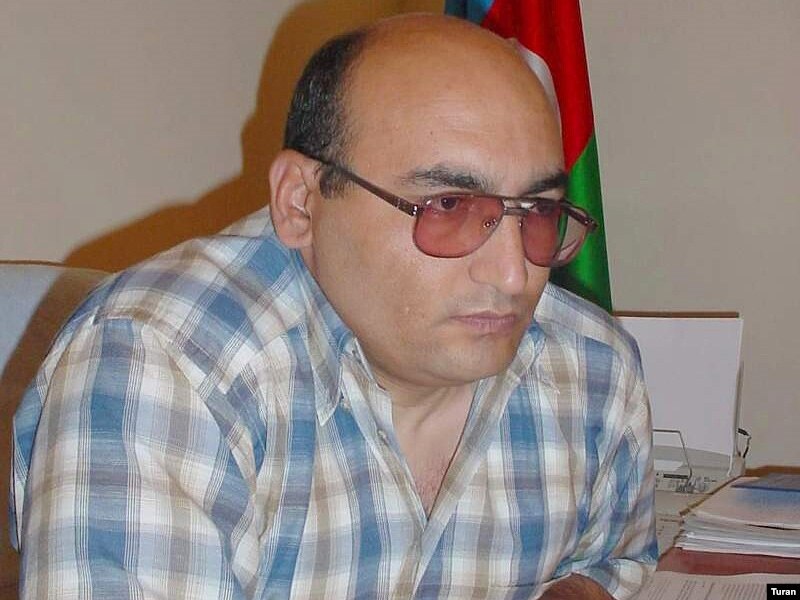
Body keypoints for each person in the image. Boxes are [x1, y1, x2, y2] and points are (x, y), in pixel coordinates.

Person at [10, 13, 656, 599]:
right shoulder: (160, 365)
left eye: (538, 209)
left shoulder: (591, 368)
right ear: (301, 202)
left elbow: (612, 568)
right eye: (449, 206)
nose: (514, 275)